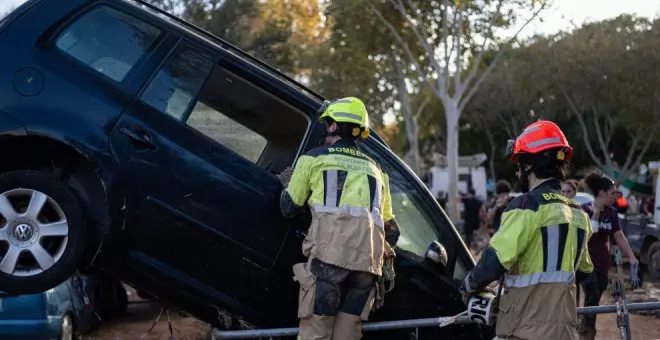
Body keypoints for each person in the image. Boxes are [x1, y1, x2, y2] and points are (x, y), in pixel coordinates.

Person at [277, 97, 400, 340]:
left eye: (328, 124)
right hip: (367, 268)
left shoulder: (313, 159)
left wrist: (289, 184)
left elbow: (288, 208)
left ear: (334, 126)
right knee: (346, 334)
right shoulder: (378, 171)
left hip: (328, 261)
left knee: (317, 331)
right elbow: (392, 231)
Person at [459, 120, 593, 340]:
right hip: (565, 331)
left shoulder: (525, 206)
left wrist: (467, 286)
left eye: (519, 162)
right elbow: (584, 272)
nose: (518, 169)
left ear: (531, 164)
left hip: (524, 330)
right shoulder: (578, 214)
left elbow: (494, 261)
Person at [577, 172, 641, 340]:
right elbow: (587, 236)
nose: (615, 196)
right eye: (613, 193)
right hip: (586, 263)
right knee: (590, 291)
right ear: (603, 193)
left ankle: (586, 328)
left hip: (603, 264)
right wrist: (596, 214)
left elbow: (619, 236)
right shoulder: (584, 211)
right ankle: (587, 331)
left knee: (595, 299)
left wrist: (632, 258)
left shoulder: (612, 213)